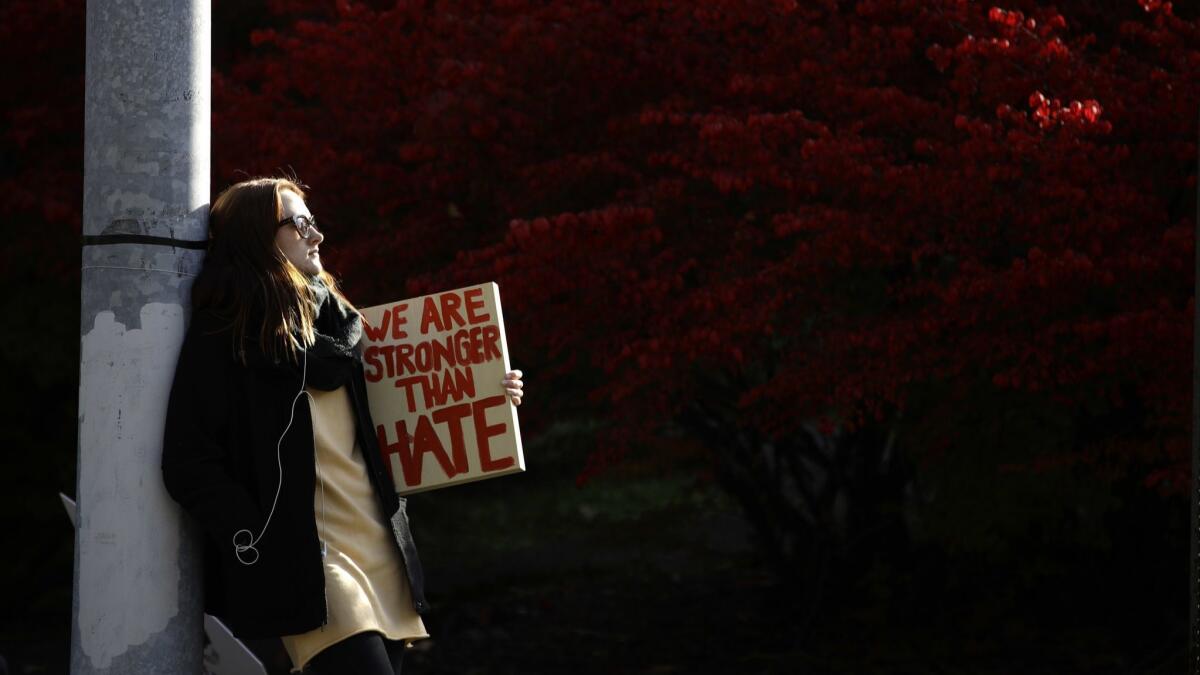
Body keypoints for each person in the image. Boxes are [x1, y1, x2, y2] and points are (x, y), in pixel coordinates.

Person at [162, 176, 524, 674]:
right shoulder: (225, 333)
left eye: (313, 223)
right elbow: (188, 460)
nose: (318, 237)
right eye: (300, 223)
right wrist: (253, 536)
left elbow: (420, 405)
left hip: (379, 546)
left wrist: (488, 390)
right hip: (306, 561)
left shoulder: (344, 327)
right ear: (255, 237)